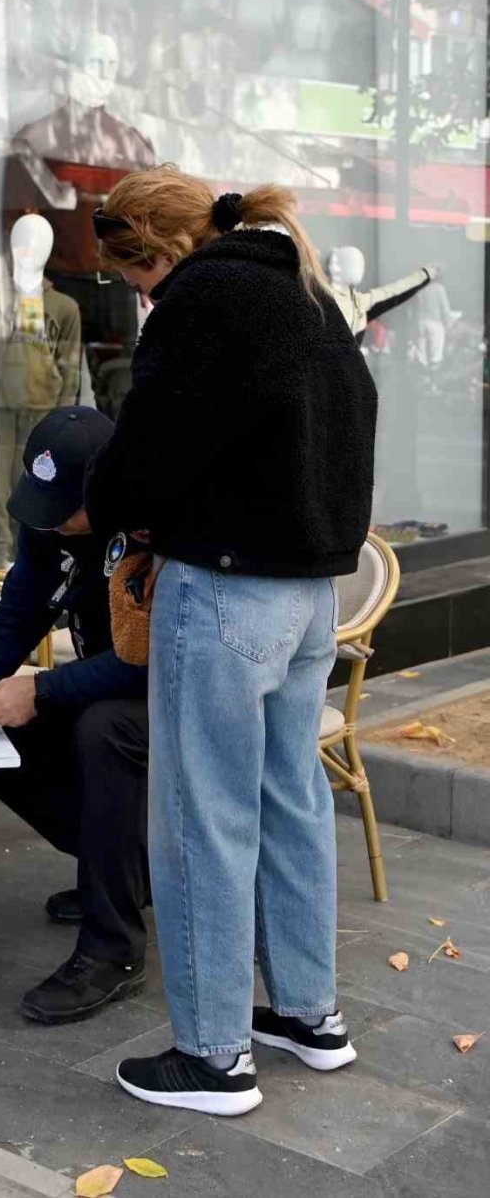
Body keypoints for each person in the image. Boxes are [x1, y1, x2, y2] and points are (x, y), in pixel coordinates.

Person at [85, 168, 376, 1116]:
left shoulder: (203, 298)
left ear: (161, 250)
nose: (140, 295)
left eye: (136, 275)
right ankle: (307, 1012)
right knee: (291, 798)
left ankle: (214, 1056)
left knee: (203, 814)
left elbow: (144, 447)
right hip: (307, 596)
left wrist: (119, 513)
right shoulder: (304, 287)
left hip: (222, 589)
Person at [0, 407, 150, 1024]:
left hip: (175, 693)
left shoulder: (154, 527)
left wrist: (42, 689)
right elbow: (18, 613)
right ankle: (130, 873)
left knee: (105, 732)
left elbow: (150, 661)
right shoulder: (50, 522)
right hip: (104, 680)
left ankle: (111, 951)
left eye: (65, 506)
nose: (52, 522)